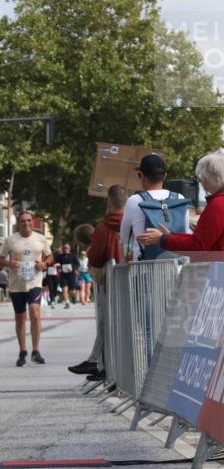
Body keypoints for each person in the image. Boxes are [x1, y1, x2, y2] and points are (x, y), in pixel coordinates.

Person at [69, 185, 126, 381]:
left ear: (109, 202)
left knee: (107, 325)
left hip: (111, 283)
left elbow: (94, 257)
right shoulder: (135, 221)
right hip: (134, 281)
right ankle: (109, 367)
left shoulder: (104, 227)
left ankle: (102, 365)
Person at [138, 149, 224, 255]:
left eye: (200, 180)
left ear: (205, 179)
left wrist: (162, 239)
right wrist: (170, 236)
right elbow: (200, 239)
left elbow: (198, 245)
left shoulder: (218, 205)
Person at [0, 211, 53, 367]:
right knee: (20, 318)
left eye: (29, 220)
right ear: (18, 223)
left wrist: (44, 264)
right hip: (17, 284)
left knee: (34, 312)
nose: (26, 223)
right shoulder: (10, 240)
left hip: (35, 282)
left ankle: (36, 350)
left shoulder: (40, 239)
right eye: (23, 221)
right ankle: (23, 351)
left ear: (33, 222)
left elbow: (50, 256)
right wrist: (9, 264)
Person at [121, 153, 192, 260]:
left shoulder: (134, 201)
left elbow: (125, 238)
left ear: (142, 176)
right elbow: (185, 232)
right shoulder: (180, 198)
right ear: (165, 176)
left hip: (145, 270)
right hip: (177, 267)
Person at [53, 243, 78, 309]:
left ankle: (73, 296)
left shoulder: (73, 256)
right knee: (64, 289)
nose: (66, 249)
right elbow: (54, 260)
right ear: (63, 249)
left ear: (70, 249)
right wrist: (58, 266)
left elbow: (77, 264)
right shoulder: (60, 256)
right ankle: (67, 303)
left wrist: (73, 268)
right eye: (65, 248)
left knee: (72, 290)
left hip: (71, 275)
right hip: (63, 275)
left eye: (67, 248)